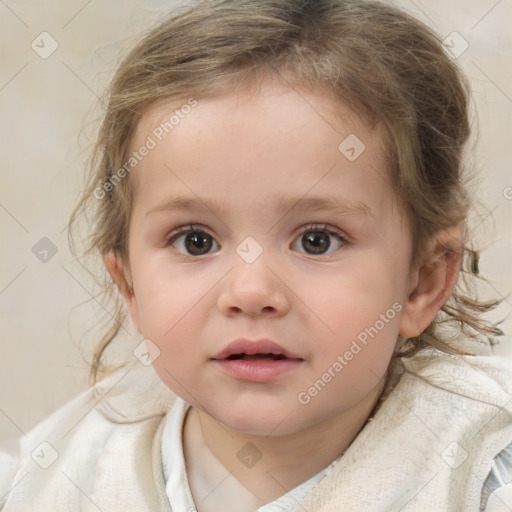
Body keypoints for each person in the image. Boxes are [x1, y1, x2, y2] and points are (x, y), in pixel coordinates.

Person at [1, 0, 511, 510]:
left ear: (421, 282)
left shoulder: (479, 472)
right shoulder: (61, 469)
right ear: (130, 286)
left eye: (317, 240)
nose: (250, 293)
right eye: (195, 241)